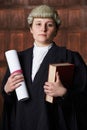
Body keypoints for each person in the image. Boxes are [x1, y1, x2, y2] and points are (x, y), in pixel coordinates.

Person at [1, 4, 87, 130]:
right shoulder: (17, 59)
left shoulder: (70, 57)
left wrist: (64, 93)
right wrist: (6, 89)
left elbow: (84, 96)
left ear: (56, 30)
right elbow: (9, 101)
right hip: (22, 121)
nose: (43, 29)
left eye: (50, 25)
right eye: (38, 24)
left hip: (52, 122)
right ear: (31, 28)